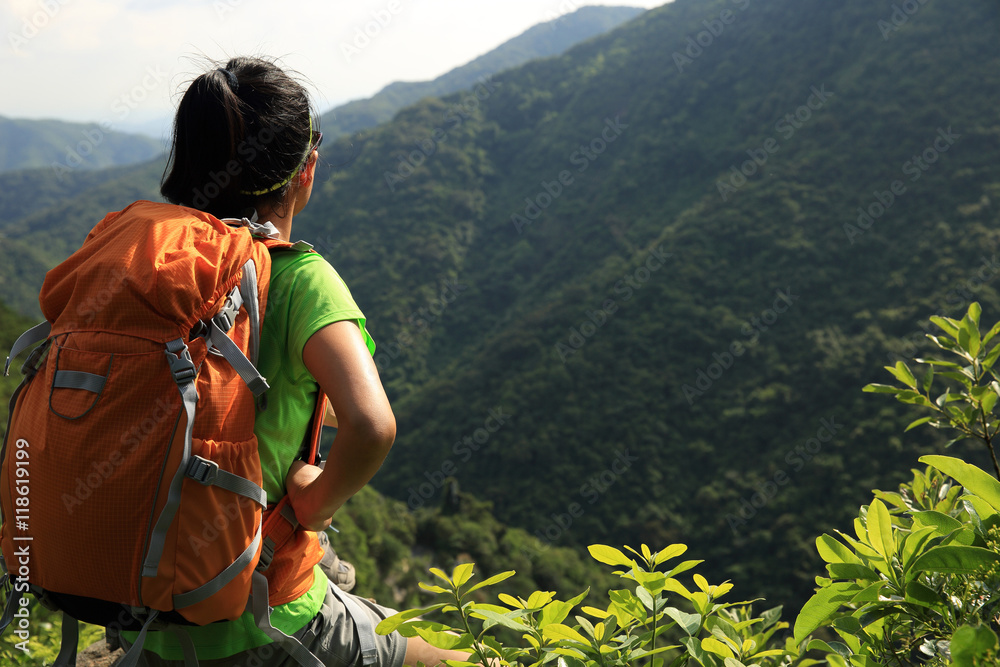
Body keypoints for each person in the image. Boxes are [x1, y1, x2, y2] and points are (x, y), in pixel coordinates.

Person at [116, 56, 470, 667]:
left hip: (138, 603)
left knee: (336, 569)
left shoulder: (142, 267)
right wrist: (316, 502)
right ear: (304, 171)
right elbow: (372, 426)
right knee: (474, 658)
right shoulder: (302, 278)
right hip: (258, 622)